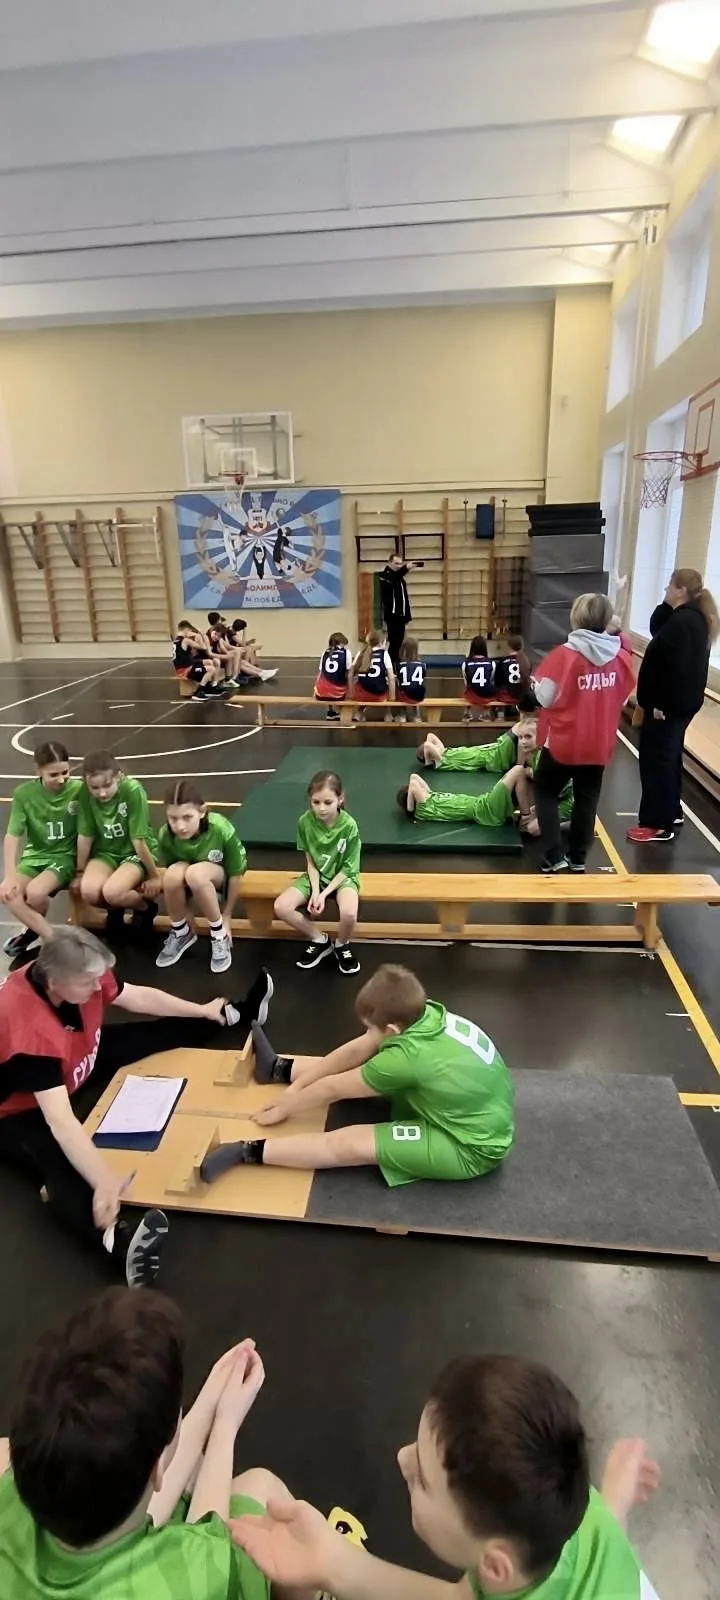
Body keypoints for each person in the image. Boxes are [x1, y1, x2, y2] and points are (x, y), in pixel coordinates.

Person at [230, 1353, 661, 1600]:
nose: (401, 1459)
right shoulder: (567, 1510)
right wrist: (333, 1564)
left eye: (423, 1480)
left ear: (495, 1566)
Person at [0, 927, 272, 1284]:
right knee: (53, 1161)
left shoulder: (78, 970)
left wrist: (200, 1010)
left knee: (146, 1035)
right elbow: (61, 1120)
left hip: (69, 1061)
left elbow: (137, 997)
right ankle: (118, 1245)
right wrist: (104, 1181)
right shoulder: (29, 1032)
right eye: (89, 983)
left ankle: (230, 1013)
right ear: (55, 983)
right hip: (15, 1110)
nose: (98, 988)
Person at [0, 1286, 293, 1600]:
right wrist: (224, 1428)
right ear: (156, 1470)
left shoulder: (9, 1482)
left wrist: (205, 1410)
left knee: (192, 1474)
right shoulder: (196, 1579)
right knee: (260, 1487)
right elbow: (209, 1552)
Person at [200, 964, 514, 1187]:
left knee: (349, 1145)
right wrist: (296, 1085)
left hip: (469, 1145)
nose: (366, 1032)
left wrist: (286, 1106)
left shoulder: (408, 1058)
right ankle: (279, 1068)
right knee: (372, 1061)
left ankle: (247, 1151)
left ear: (391, 1028)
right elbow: (358, 1049)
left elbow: (334, 1089)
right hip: (464, 1104)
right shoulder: (421, 1013)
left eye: (370, 1026)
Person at [532, 593, 635, 875]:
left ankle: (553, 855)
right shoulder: (619, 656)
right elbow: (623, 698)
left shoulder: (564, 655)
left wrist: (538, 688)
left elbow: (545, 698)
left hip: (565, 740)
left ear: (576, 617)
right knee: (587, 798)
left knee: (545, 789)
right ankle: (577, 857)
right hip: (598, 740)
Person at [628, 568, 720, 844]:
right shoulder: (686, 618)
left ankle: (658, 824)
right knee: (668, 758)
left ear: (681, 590)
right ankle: (671, 811)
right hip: (676, 705)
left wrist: (660, 704)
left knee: (657, 762)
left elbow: (677, 670)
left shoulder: (684, 623)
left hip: (668, 707)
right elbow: (656, 628)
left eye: (670, 586)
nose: (665, 589)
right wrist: (666, 604)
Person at [152, 780, 247, 974]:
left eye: (187, 817)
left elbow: (235, 873)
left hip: (217, 876)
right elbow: (175, 880)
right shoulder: (165, 835)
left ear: (202, 811)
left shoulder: (220, 828)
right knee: (171, 875)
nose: (180, 826)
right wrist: (186, 913)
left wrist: (227, 915)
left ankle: (218, 935)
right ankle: (181, 932)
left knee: (195, 874)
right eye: (173, 818)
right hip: (190, 877)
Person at [0, 741, 83, 960]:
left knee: (36, 893)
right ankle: (50, 936)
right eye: (53, 774)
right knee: (8, 893)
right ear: (38, 771)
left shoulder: (78, 790)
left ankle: (41, 934)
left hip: (64, 857)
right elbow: (12, 835)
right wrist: (9, 875)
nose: (61, 779)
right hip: (35, 857)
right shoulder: (24, 794)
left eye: (65, 772)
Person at [273, 771, 361, 977]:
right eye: (316, 802)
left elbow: (349, 867)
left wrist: (324, 894)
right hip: (316, 876)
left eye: (328, 802)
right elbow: (310, 861)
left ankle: (342, 944)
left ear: (340, 799)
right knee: (281, 907)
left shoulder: (349, 826)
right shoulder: (304, 822)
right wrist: (314, 890)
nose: (321, 808)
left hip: (343, 877)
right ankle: (320, 940)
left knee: (349, 913)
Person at [417, 723, 573, 838]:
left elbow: (553, 792)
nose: (522, 742)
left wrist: (538, 811)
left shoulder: (547, 760)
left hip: (568, 801)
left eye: (527, 737)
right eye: (520, 738)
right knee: (531, 813)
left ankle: (571, 824)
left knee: (532, 829)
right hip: (555, 793)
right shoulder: (532, 754)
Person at [75, 751, 160, 940]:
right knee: (89, 893)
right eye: (94, 787)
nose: (102, 793)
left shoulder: (132, 790)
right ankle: (116, 909)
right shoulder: (84, 794)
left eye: (107, 785)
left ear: (118, 777)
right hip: (105, 852)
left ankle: (145, 908)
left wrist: (154, 876)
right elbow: (85, 835)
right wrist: (80, 872)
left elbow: (138, 840)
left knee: (112, 892)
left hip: (133, 852)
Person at [398, 770, 533, 833]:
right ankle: (526, 818)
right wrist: (410, 810)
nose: (422, 789)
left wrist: (417, 795)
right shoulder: (424, 808)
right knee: (518, 771)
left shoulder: (430, 797)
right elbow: (413, 784)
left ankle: (526, 815)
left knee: (518, 773)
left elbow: (414, 777)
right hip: (486, 809)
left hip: (485, 803)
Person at [379, 553, 424, 669]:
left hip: (400, 616)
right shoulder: (385, 576)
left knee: (399, 643)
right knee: (394, 643)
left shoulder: (399, 578)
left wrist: (406, 615)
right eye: (396, 563)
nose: (399, 566)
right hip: (393, 616)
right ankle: (389, 667)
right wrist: (405, 568)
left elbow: (403, 598)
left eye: (400, 564)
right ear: (389, 563)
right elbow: (391, 580)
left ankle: (395, 666)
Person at [350, 629, 396, 721]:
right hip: (378, 696)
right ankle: (388, 714)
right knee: (389, 681)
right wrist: (392, 698)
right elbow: (391, 678)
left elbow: (351, 674)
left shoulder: (361, 652)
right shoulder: (384, 654)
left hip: (361, 696)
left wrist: (351, 693)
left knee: (362, 681)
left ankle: (359, 713)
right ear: (381, 643)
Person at [171, 622, 225, 700]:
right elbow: (203, 647)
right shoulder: (186, 640)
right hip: (185, 670)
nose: (190, 633)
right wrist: (200, 635)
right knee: (211, 669)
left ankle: (209, 686)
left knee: (209, 662)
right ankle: (199, 691)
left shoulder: (176, 640)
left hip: (184, 666)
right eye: (189, 631)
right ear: (186, 630)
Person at [314, 631, 353, 721]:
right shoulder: (346, 652)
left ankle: (330, 711)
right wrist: (351, 690)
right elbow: (349, 673)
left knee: (328, 681)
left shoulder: (325, 653)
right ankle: (339, 711)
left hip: (320, 693)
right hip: (338, 694)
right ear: (342, 642)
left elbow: (321, 672)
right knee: (342, 681)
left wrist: (315, 689)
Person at [492, 632, 531, 719]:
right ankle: (519, 714)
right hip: (522, 695)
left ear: (509, 647)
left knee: (499, 690)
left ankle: (500, 715)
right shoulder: (526, 661)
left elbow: (497, 681)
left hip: (507, 696)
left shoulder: (502, 662)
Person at [461, 635, 495, 721]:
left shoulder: (465, 663)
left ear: (472, 648)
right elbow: (490, 680)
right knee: (491, 688)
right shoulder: (492, 663)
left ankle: (467, 713)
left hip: (472, 696)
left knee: (467, 689)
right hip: (487, 696)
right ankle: (486, 714)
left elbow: (466, 682)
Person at [395, 635, 427, 723]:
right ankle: (417, 715)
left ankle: (402, 714)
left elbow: (399, 681)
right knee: (416, 686)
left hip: (404, 696)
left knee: (401, 687)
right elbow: (422, 679)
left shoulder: (399, 665)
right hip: (419, 696)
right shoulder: (422, 664)